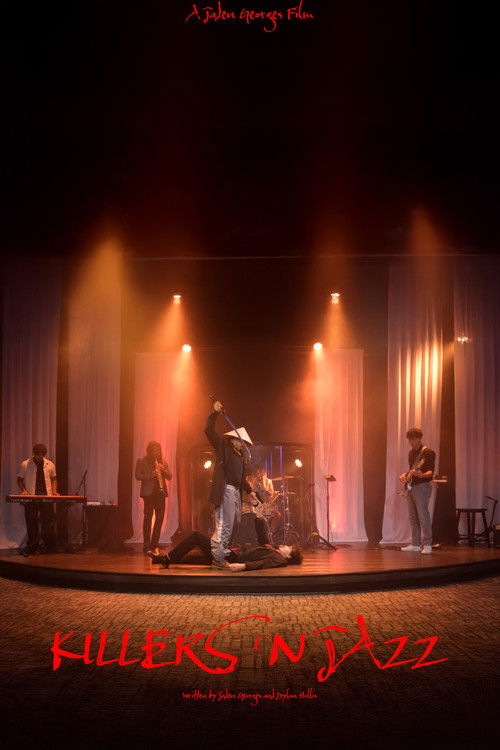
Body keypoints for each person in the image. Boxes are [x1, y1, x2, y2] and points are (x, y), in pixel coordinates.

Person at [205, 401, 258, 568]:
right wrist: (215, 413)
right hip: (226, 490)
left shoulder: (240, 458)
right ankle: (218, 558)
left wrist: (250, 491)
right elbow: (208, 430)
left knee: (235, 523)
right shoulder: (223, 446)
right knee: (225, 525)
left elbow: (241, 479)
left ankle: (221, 553)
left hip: (235, 492)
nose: (243, 445)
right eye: (241, 442)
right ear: (234, 440)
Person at [147, 531, 303, 571]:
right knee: (196, 558)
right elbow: (262, 536)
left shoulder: (279, 560)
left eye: (288, 547)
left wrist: (243, 566)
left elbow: (262, 564)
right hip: (232, 553)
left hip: (233, 558)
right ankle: (161, 559)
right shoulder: (274, 549)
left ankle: (167, 559)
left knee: (196, 536)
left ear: (288, 556)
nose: (284, 545)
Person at [399, 428, 436, 554]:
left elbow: (431, 472)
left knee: (423, 516)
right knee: (412, 517)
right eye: (409, 439)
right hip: (411, 486)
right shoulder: (411, 453)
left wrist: (422, 475)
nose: (411, 442)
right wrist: (404, 475)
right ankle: (415, 544)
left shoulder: (428, 452)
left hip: (422, 486)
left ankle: (427, 544)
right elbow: (412, 470)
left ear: (420, 438)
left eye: (414, 439)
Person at [17, 443, 58, 555]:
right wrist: (24, 491)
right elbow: (19, 480)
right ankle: (32, 546)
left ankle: (50, 546)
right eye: (38, 454)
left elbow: (54, 478)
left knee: (48, 522)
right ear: (34, 454)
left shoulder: (50, 464)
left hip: (46, 497)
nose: (40, 456)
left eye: (42, 454)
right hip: (31, 497)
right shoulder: (25, 464)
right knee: (31, 522)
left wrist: (54, 491)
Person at [135, 441, 172, 554]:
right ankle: (146, 544)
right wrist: (150, 475)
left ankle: (154, 543)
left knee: (160, 518)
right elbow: (137, 475)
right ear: (149, 450)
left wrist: (163, 469)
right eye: (154, 450)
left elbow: (169, 476)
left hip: (160, 492)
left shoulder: (163, 461)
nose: (156, 452)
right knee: (148, 517)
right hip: (149, 493)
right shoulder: (142, 460)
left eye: (158, 450)